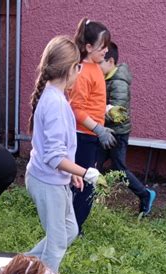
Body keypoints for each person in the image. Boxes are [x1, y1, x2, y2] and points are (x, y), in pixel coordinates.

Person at [25, 35, 101, 272]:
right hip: (47, 183)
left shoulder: (54, 96)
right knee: (57, 243)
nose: (80, 72)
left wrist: (72, 173)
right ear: (70, 69)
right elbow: (54, 158)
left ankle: (21, 266)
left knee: (70, 230)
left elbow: (59, 153)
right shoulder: (55, 103)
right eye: (78, 67)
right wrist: (86, 172)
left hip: (53, 180)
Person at [98, 43, 156, 215]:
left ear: (111, 61)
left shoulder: (119, 82)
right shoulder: (108, 78)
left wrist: (96, 111)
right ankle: (94, 201)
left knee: (119, 168)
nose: (96, 66)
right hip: (106, 131)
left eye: (100, 62)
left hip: (117, 133)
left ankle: (145, 194)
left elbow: (118, 112)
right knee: (95, 165)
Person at [68, 17, 114, 232]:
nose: (106, 51)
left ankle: (74, 225)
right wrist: (97, 128)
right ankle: (74, 229)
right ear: (88, 47)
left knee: (86, 183)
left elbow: (92, 102)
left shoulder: (95, 67)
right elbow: (76, 109)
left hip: (91, 135)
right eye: (102, 47)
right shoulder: (83, 72)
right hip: (83, 136)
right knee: (84, 184)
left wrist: (106, 111)